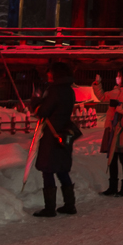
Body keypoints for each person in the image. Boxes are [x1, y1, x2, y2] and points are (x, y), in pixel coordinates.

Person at [31, 61, 77, 218]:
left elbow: (44, 111)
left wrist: (36, 102)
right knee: (62, 169)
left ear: (56, 74)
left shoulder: (54, 90)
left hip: (52, 135)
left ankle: (49, 208)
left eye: (50, 72)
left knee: (48, 169)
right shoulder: (69, 90)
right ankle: (70, 204)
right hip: (65, 133)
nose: (48, 75)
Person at [92, 66, 123, 197]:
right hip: (111, 127)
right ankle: (113, 187)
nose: (117, 78)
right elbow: (103, 97)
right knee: (112, 158)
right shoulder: (116, 90)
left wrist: (118, 106)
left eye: (119, 76)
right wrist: (98, 84)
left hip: (122, 129)